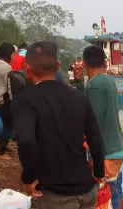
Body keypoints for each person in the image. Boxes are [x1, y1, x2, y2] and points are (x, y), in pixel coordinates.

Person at [11, 41, 105, 209]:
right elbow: (96, 139)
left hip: (54, 195)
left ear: (27, 68)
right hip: (87, 190)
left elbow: (26, 142)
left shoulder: (24, 101)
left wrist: (28, 179)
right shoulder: (79, 97)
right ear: (58, 66)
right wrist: (99, 172)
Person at [83, 45, 123, 209]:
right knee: (117, 188)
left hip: (107, 151)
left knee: (108, 193)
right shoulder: (108, 80)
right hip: (117, 145)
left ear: (86, 63)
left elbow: (94, 122)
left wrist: (93, 154)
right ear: (104, 63)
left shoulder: (94, 85)